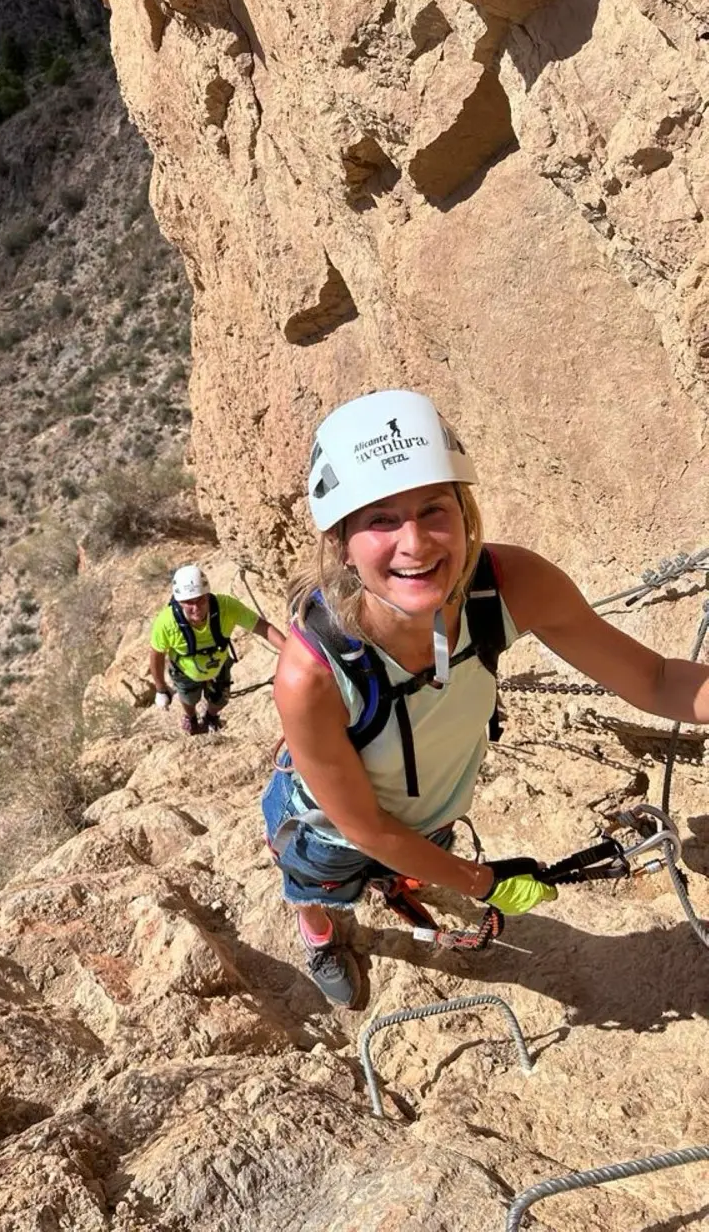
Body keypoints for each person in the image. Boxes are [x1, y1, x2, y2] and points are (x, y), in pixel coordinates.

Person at [263, 388, 709, 1006]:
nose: (416, 543)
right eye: (381, 519)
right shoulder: (311, 674)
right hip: (330, 827)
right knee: (318, 885)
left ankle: (400, 882)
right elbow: (364, 826)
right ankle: (319, 935)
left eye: (433, 509)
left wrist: (466, 875)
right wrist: (482, 882)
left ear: (465, 511)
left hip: (431, 810)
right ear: (342, 541)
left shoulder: (509, 585)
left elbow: (658, 681)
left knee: (413, 858)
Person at [150, 564, 286, 733]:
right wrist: (161, 689)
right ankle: (191, 718)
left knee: (220, 698)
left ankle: (211, 717)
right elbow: (156, 655)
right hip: (185, 670)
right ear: (179, 602)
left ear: (207, 594)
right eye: (188, 603)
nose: (196, 608)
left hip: (218, 663)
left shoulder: (227, 607)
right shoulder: (166, 622)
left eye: (200, 599)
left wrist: (289, 652)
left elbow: (263, 628)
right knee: (189, 697)